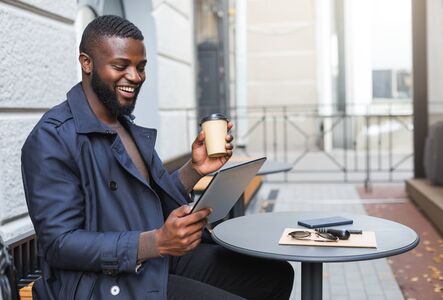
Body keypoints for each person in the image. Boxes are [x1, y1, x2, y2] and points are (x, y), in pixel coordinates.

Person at [21, 15, 294, 300]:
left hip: (150, 260)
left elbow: (148, 203)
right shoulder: (52, 138)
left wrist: (195, 169)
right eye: (120, 66)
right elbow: (59, 244)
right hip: (97, 284)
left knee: (273, 276)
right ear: (86, 63)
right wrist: (156, 242)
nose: (135, 77)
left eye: (141, 67)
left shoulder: (125, 125)